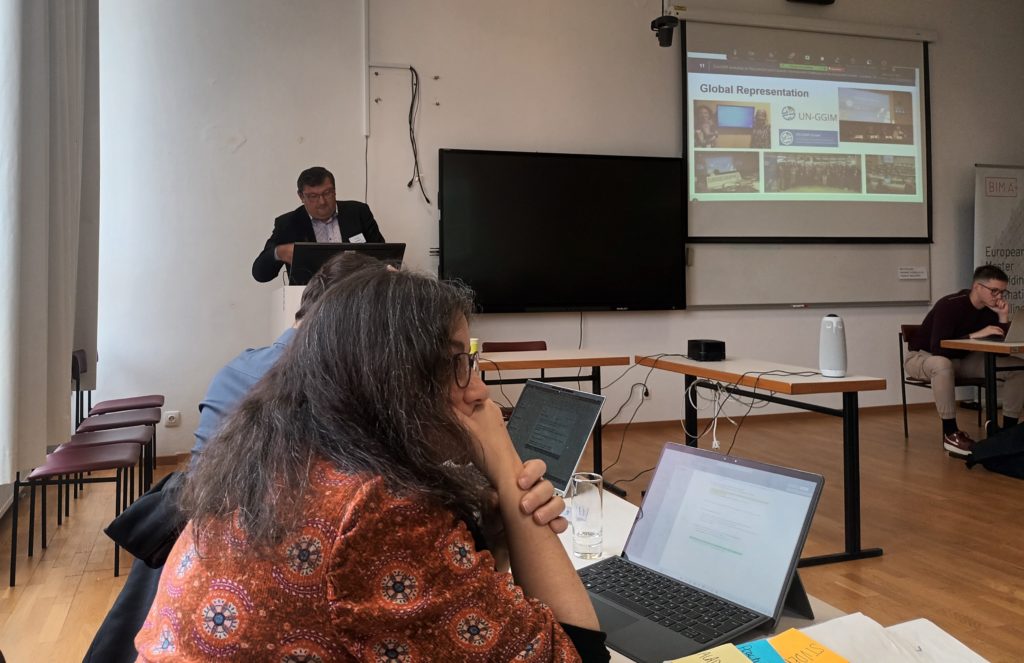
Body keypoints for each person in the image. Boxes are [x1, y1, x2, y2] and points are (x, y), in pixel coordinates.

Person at [135, 269, 607, 661]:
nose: (479, 391)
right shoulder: (378, 508)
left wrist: (498, 532)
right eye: (453, 363)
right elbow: (577, 654)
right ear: (390, 376)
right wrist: (506, 464)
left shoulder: (272, 457)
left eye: (471, 360)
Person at [905, 265, 1024, 456]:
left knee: (1017, 366)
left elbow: (1001, 354)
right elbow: (938, 348)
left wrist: (1003, 317)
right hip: (923, 357)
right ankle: (950, 433)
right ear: (977, 287)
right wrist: (976, 335)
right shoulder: (949, 305)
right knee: (942, 364)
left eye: (1002, 292)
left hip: (962, 359)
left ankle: (1008, 431)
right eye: (994, 291)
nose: (999, 296)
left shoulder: (990, 310)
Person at [251, 166, 385, 283]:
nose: (322, 202)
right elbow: (260, 274)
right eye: (313, 196)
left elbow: (384, 257)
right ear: (301, 196)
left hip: (357, 291)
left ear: (334, 190)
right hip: (312, 298)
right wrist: (278, 252)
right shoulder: (288, 224)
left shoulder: (358, 212)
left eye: (327, 193)